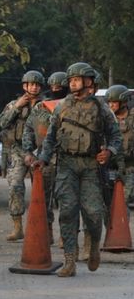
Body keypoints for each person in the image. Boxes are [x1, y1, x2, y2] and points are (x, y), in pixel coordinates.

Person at [31, 62, 121, 277]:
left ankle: (94, 245)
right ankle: (69, 259)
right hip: (67, 165)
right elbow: (51, 136)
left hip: (91, 166)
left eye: (77, 79)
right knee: (68, 212)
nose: (72, 83)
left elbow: (115, 137)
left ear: (89, 82)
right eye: (70, 80)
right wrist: (43, 158)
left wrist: (109, 151)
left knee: (93, 212)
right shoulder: (62, 107)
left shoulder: (101, 108)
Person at [0, 70, 45, 242]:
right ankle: (17, 227)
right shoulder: (14, 104)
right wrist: (17, 107)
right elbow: (2, 123)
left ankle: (43, 229)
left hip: (39, 151)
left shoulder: (45, 106)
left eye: (36, 84)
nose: (33, 87)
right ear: (24, 86)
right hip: (17, 150)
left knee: (42, 190)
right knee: (15, 187)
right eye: (30, 84)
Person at [22, 71, 68, 243]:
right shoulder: (41, 107)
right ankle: (46, 231)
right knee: (43, 197)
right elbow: (28, 129)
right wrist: (28, 151)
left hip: (66, 157)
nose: (56, 89)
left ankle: (66, 234)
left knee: (66, 199)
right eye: (54, 86)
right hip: (43, 158)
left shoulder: (71, 105)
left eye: (60, 87)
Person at [106, 85, 134, 209]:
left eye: (114, 102)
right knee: (106, 204)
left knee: (122, 204)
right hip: (108, 167)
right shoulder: (106, 119)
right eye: (109, 102)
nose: (111, 105)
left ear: (123, 102)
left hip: (128, 167)